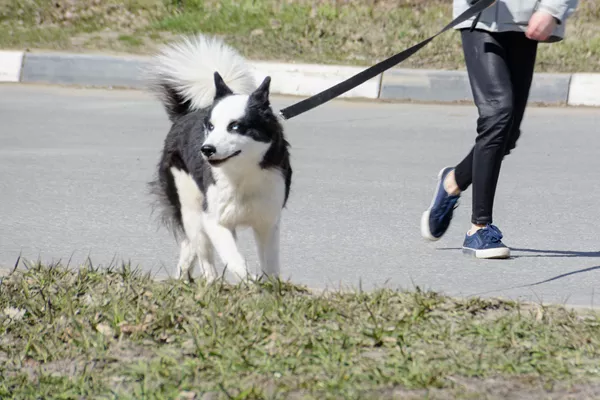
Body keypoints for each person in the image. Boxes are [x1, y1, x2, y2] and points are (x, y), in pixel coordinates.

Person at [420, 0, 579, 259]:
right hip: (481, 17)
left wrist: (552, 9)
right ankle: (479, 229)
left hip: (528, 17)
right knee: (498, 113)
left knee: (508, 133)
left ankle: (452, 182)